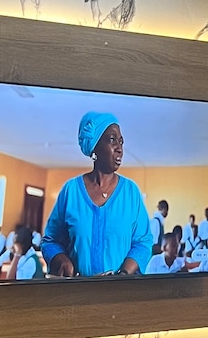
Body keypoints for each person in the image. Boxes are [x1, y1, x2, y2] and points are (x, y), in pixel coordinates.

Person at [42, 111, 155, 277]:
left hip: (120, 289)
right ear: (95, 146)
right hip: (78, 290)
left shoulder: (131, 192)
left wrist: (124, 274)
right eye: (112, 140)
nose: (119, 148)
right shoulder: (71, 191)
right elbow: (50, 241)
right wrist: (62, 260)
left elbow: (143, 242)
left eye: (121, 142)